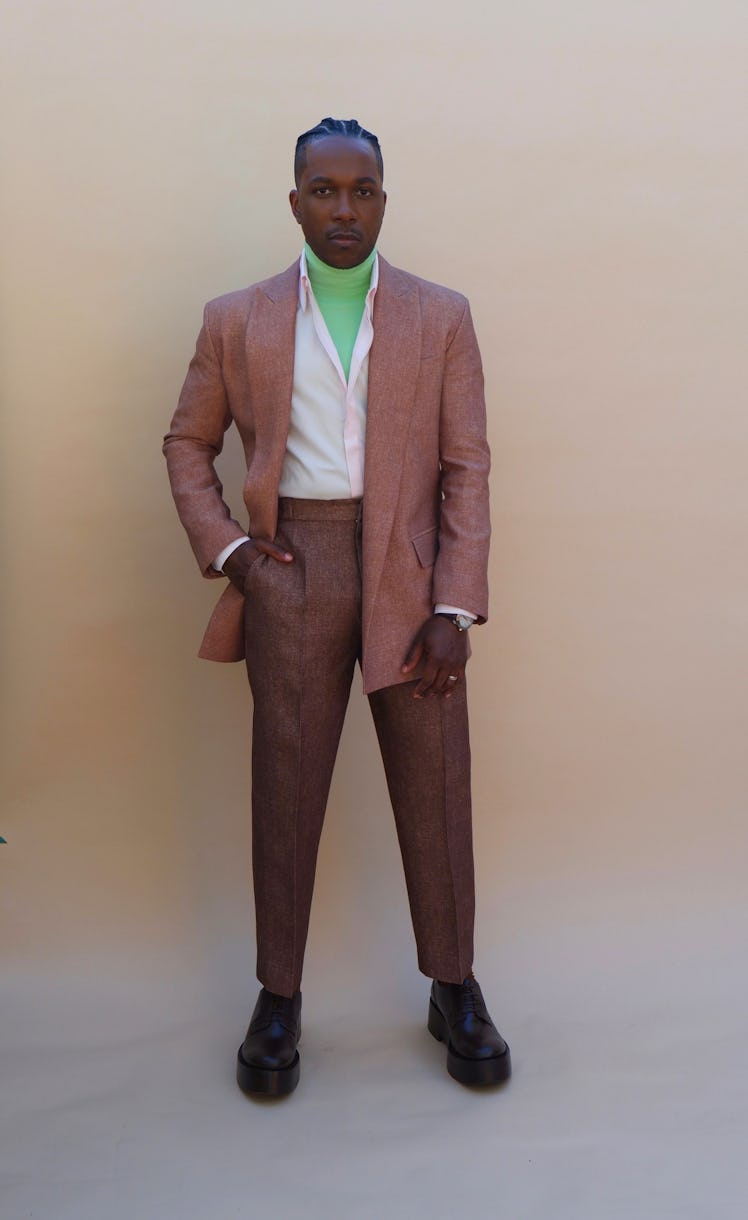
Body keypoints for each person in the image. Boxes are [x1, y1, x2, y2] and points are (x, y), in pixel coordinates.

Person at [163, 118, 510, 1095]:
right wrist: (234, 553)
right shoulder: (238, 317)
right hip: (294, 565)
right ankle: (280, 997)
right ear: (295, 201)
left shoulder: (440, 316)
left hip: (409, 566)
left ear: (385, 201)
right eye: (324, 190)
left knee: (435, 784)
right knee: (287, 784)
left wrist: (456, 603)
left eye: (362, 191)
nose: (343, 208)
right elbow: (186, 444)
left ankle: (454, 983)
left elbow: (466, 469)